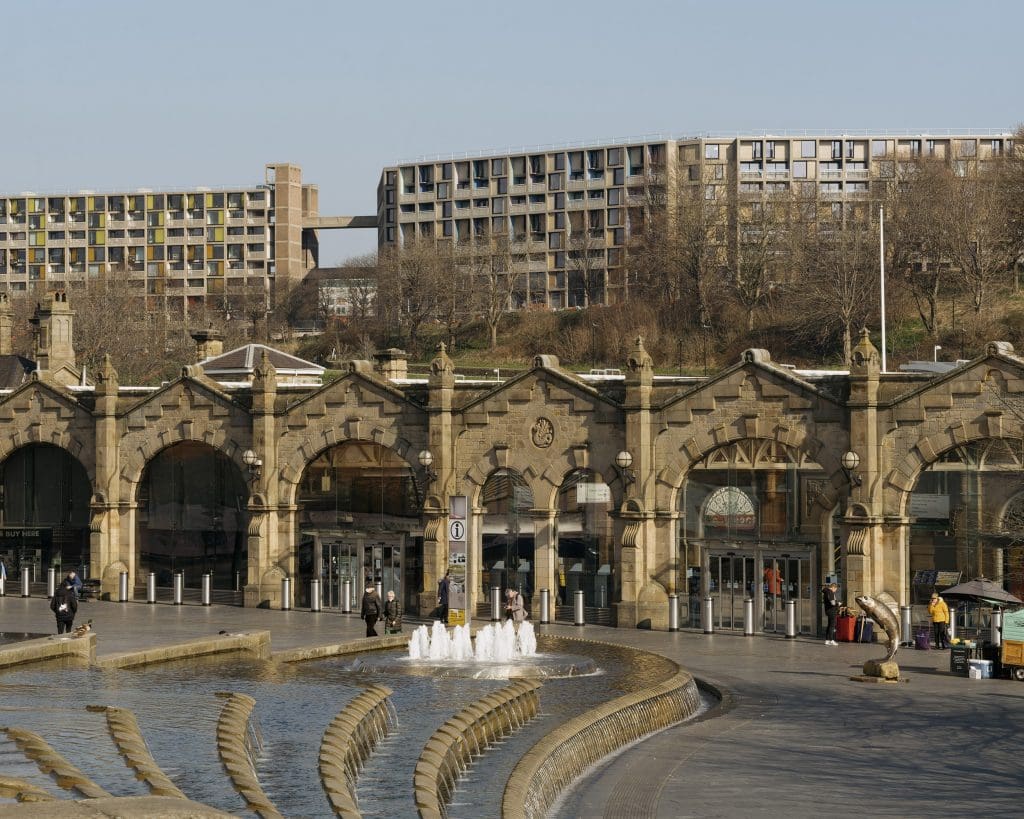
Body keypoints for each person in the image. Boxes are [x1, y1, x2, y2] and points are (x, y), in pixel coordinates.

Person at [822, 582, 840, 646]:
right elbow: (833, 603)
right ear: (833, 587)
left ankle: (827, 640)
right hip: (832, 611)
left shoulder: (826, 592)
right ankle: (832, 640)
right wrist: (838, 604)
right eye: (835, 589)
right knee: (832, 626)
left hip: (828, 610)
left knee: (829, 625)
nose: (835, 591)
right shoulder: (830, 592)